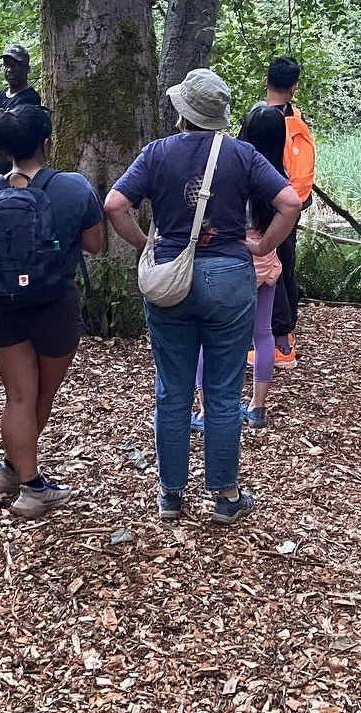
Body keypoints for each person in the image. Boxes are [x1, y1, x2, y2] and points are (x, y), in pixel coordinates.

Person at [105, 69, 301, 524]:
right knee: (223, 390)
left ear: (183, 111)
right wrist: (263, 247)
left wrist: (147, 245)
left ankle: (171, 493)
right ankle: (226, 494)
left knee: (172, 389)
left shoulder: (157, 153)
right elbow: (290, 203)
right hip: (229, 277)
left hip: (171, 278)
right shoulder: (242, 154)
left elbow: (115, 204)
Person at [0, 105, 104, 516]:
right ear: (47, 142)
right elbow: (95, 245)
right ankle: (29, 487)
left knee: (18, 396)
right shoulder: (74, 188)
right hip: (53, 305)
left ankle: (14, 471)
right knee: (40, 393)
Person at [193, 105, 288, 431]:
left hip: (230, 259)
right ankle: (257, 407)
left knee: (208, 335)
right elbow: (288, 211)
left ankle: (206, 410)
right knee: (263, 334)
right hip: (265, 261)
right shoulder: (279, 177)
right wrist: (264, 244)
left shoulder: (234, 169)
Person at [261, 56, 315, 369]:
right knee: (285, 265)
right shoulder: (297, 122)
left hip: (265, 207)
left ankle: (279, 340)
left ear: (265, 81)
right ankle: (284, 334)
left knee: (270, 268)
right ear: (293, 87)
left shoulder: (258, 120)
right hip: (292, 204)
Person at [0, 44, 42, 151]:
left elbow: (16, 137)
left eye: (15, 66)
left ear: (26, 69)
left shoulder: (30, 99)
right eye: (6, 65)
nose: (9, 69)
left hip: (18, 160)